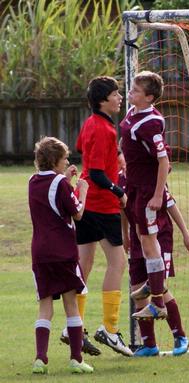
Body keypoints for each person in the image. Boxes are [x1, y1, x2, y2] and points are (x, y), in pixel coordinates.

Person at [61, 76, 133, 357]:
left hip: (84, 200)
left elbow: (82, 148)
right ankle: (110, 330)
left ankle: (72, 327)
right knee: (118, 262)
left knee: (84, 264)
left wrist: (113, 154)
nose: (120, 98)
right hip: (102, 204)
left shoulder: (92, 122)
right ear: (104, 100)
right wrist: (119, 192)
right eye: (116, 94)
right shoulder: (106, 129)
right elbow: (100, 174)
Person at [28, 136, 93, 374]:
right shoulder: (61, 183)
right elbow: (77, 212)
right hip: (63, 251)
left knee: (45, 306)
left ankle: (40, 359)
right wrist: (81, 190)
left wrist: (65, 181)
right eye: (65, 158)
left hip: (40, 253)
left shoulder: (32, 181)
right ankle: (76, 359)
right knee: (71, 304)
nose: (67, 162)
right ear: (55, 160)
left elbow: (51, 195)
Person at [120, 173, 189, 356]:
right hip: (137, 239)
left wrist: (186, 234)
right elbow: (122, 208)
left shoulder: (151, 179)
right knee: (137, 290)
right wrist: (125, 234)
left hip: (159, 236)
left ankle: (180, 336)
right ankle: (149, 345)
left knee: (159, 287)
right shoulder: (120, 180)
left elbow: (170, 205)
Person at [120, 70, 171, 320]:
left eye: (137, 90)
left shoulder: (151, 123)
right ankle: (153, 284)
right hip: (134, 186)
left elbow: (163, 161)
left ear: (149, 97)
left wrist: (158, 195)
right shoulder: (132, 113)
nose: (131, 92)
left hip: (147, 191)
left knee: (150, 244)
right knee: (143, 240)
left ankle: (159, 303)